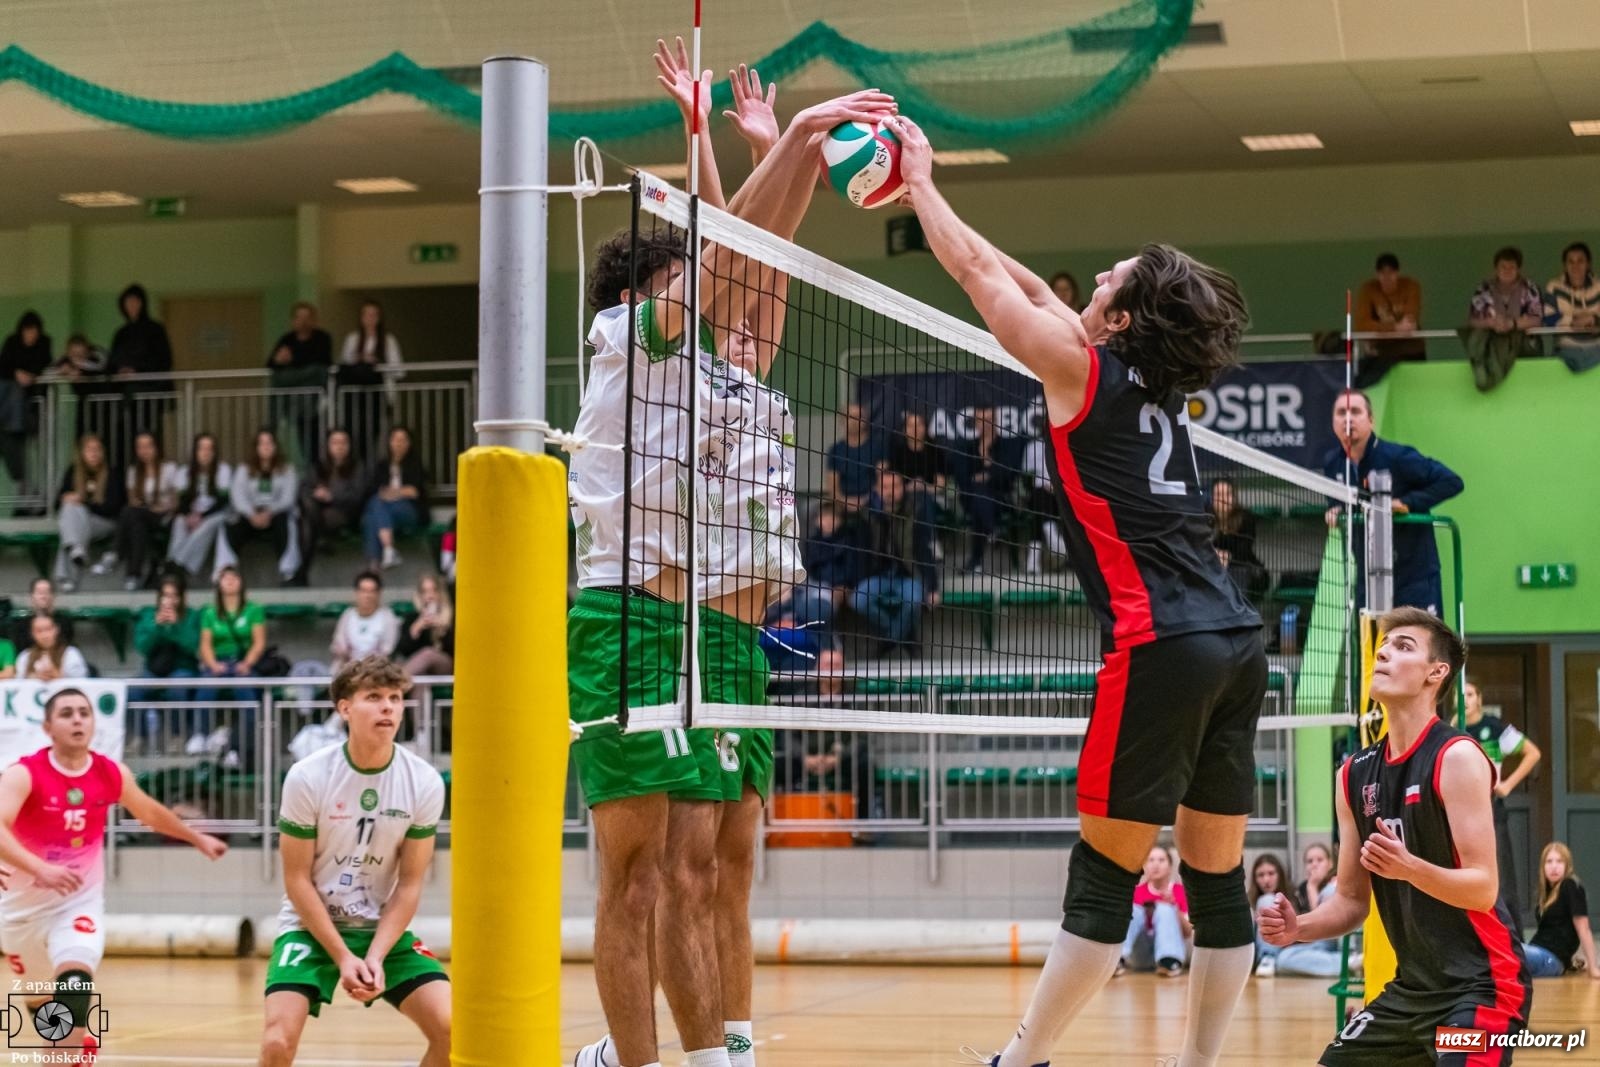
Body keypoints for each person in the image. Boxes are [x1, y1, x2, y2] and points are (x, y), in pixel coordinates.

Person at [890, 114, 1265, 1067]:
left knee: (1102, 878)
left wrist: (920, 187)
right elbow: (1017, 279)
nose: (1092, 279)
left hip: (1162, 645)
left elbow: (983, 282)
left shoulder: (1080, 373)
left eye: (1110, 279)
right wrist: (941, 202)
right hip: (1236, 639)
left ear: (1124, 319)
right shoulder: (1146, 388)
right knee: (1217, 887)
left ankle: (1019, 1063)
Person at [564, 67, 896, 1067]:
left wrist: (768, 147)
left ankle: (721, 1046)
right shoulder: (629, 336)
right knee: (642, 874)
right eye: (681, 280)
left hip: (723, 630)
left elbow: (758, 261)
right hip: (633, 619)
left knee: (713, 864)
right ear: (642, 295)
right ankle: (639, 1056)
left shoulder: (726, 365)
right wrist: (789, 138)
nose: (709, 295)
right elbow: (724, 253)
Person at [1261, 608, 1532, 1063]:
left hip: (1483, 985)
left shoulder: (1457, 757)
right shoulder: (1352, 775)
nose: (1384, 652)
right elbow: (1351, 901)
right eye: (1383, 646)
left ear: (1436, 673)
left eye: (1403, 646)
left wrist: (1410, 868)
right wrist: (1298, 929)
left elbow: (1484, 889)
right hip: (1412, 991)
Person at [0, 688, 226, 1063]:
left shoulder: (109, 772)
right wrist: (39, 867)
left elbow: (150, 812)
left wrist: (196, 837)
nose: (77, 720)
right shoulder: (23, 774)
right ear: (48, 727)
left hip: (77, 903)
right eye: (67, 713)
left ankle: (63, 1054)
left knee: (74, 978)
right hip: (19, 911)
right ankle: (69, 1046)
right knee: (41, 1004)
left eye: (84, 713)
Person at [259, 656, 448, 1067]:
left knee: (455, 1032)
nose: (388, 707)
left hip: (382, 931)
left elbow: (411, 884)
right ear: (345, 708)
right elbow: (296, 880)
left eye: (396, 698)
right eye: (374, 697)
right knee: (276, 1043)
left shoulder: (425, 782)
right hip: (311, 928)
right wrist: (344, 957)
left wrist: (375, 955)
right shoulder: (308, 777)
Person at [1322, 389, 1463, 614]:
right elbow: (1338, 501)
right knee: (1374, 646)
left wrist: (1408, 502)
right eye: (1341, 413)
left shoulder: (1398, 457)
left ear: (1370, 419)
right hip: (1368, 577)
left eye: (1355, 412)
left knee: (1420, 643)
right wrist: (1334, 509)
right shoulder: (1333, 464)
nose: (1348, 419)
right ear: (1333, 422)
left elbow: (1452, 481)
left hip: (1413, 576)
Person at [1462, 680, 1542, 931]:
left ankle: (1513, 938)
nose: (1465, 699)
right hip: (1461, 812)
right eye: (1461, 695)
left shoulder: (1494, 728)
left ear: (1480, 699)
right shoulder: (1453, 730)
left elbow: (1533, 753)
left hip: (1491, 808)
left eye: (1471, 694)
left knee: (1502, 874)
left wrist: (1506, 784)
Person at [852, 463, 940, 655]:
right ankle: (903, 635)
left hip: (907, 574)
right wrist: (854, 581)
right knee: (858, 600)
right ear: (877, 489)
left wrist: (933, 587)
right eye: (885, 487)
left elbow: (925, 550)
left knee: (915, 600)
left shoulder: (916, 510)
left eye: (895, 486)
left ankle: (889, 639)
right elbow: (860, 552)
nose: (890, 492)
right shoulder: (868, 514)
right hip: (879, 574)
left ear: (903, 488)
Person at [195, 565, 267, 764]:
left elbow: (259, 642)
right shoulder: (210, 612)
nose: (230, 581)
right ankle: (201, 735)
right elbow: (205, 644)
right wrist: (212, 664)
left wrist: (247, 663)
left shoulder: (254, 609)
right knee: (205, 688)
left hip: (242, 662)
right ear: (218, 583)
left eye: (234, 577)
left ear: (241, 582)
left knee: (248, 697)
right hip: (217, 662)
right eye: (225, 578)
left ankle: (239, 747)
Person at [133, 574, 202, 751]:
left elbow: (194, 646)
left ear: (181, 597)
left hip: (183, 668)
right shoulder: (148, 615)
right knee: (135, 690)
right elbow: (142, 647)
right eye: (165, 595)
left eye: (174, 595)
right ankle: (139, 737)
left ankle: (177, 736)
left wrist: (176, 627)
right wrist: (156, 626)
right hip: (154, 669)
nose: (169, 600)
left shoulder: (192, 616)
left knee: (177, 687)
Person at [104, 430, 180, 590]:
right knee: (135, 523)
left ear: (156, 448)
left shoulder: (169, 469)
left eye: (148, 446)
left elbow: (176, 501)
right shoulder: (133, 471)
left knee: (130, 514)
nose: (144, 450)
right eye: (140, 447)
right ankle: (133, 575)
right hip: (144, 515)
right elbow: (133, 500)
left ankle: (116, 553)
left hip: (165, 516)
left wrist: (161, 507)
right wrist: (147, 507)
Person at [292, 427, 365, 586]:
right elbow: (303, 488)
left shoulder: (357, 467)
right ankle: (319, 540)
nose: (339, 446)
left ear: (349, 445)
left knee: (307, 524)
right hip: (317, 512)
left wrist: (331, 495)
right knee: (308, 510)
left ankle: (301, 573)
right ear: (328, 445)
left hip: (344, 512)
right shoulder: (318, 466)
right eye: (335, 442)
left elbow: (358, 496)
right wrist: (317, 493)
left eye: (343, 442)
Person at [226, 427, 300, 585]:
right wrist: (251, 513)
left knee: (287, 523)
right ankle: (226, 571)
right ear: (256, 447)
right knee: (229, 524)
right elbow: (237, 496)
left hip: (276, 513)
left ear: (275, 446)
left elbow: (288, 498)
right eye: (262, 443)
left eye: (269, 443)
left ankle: (288, 573)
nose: (266, 447)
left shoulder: (287, 469)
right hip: (250, 514)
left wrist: (270, 512)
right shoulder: (244, 469)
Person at [1465, 246, 1545, 392]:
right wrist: (1490, 322)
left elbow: (1537, 318)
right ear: (1496, 269)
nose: (1507, 270)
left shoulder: (1529, 288)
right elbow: (1473, 320)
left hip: (1522, 344)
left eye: (1512, 267)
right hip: (1493, 341)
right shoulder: (1484, 288)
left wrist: (1512, 324)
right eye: (1503, 267)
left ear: (1518, 269)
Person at [53, 433, 126, 592]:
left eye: (97, 449)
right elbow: (57, 504)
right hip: (80, 522)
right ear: (82, 453)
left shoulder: (113, 474)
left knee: (71, 526)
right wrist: (68, 498)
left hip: (104, 522)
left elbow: (113, 508)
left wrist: (83, 502)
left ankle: (65, 576)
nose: (94, 453)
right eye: (89, 450)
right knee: (70, 509)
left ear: (103, 452)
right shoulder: (73, 471)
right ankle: (76, 550)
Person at [267, 301, 333, 467]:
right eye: (299, 317)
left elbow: (322, 363)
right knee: (279, 379)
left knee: (311, 441)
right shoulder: (286, 339)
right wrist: (279, 360)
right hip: (291, 399)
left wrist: (292, 365)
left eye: (307, 317)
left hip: (312, 401)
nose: (303, 321)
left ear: (314, 320)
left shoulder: (322, 338)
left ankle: (314, 473)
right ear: (293, 320)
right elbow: (270, 365)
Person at [956, 406, 1020, 574]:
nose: (984, 424)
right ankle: (993, 531)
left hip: (1001, 499)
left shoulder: (1007, 445)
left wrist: (987, 472)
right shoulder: (967, 447)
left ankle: (975, 562)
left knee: (980, 500)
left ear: (996, 421)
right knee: (978, 495)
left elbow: (1009, 475)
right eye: (980, 421)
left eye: (989, 420)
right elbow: (962, 478)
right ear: (975, 423)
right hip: (971, 500)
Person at [1523, 842, 1599, 978]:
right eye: (1549, 861)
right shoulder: (1546, 893)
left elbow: (1583, 928)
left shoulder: (1570, 885)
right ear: (1543, 866)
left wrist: (1593, 967)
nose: (1554, 866)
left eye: (1559, 861)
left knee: (1505, 950)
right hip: (1540, 954)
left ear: (1567, 865)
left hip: (1550, 959)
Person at [167, 432, 235, 580]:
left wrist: (201, 517)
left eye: (210, 449)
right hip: (193, 514)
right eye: (202, 449)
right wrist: (188, 515)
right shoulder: (184, 472)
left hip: (217, 514)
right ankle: (179, 569)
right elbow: (182, 501)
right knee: (179, 522)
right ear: (195, 452)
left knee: (207, 524)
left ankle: (174, 564)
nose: (206, 453)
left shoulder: (223, 470)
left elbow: (223, 502)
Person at [1116, 845, 1191, 977]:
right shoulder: (1136, 893)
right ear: (1144, 866)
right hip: (1140, 953)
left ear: (1170, 866)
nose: (1156, 865)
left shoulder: (1180, 892)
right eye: (1151, 860)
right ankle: (1117, 958)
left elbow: (1188, 932)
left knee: (1165, 909)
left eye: (1161, 860)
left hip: (1172, 948)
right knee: (1133, 909)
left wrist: (1175, 908)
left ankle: (1169, 960)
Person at [361, 426, 428, 572]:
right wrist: (396, 492)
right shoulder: (382, 466)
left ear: (409, 443)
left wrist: (394, 493)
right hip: (386, 512)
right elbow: (375, 490)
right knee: (372, 515)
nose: (399, 443)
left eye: (403, 440)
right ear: (389, 442)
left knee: (376, 507)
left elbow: (414, 492)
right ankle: (387, 551)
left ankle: (374, 562)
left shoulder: (415, 464)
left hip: (408, 511)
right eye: (395, 439)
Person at [1352, 253, 1425, 386]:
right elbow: (1361, 325)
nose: (1387, 278)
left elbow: (1409, 324)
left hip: (1410, 352)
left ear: (1397, 273)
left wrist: (1378, 331)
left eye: (1391, 273)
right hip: (1380, 354)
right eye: (1382, 273)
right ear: (1377, 274)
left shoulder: (1410, 286)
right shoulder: (1368, 289)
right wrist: (1395, 328)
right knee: (1364, 381)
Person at [0, 310, 51, 495]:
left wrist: (30, 376)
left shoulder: (44, 343)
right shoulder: (11, 342)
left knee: (15, 443)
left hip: (28, 405)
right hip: (8, 404)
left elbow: (45, 364)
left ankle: (28, 489)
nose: (31, 336)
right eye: (28, 331)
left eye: (34, 332)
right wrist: (17, 373)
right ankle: (25, 487)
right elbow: (3, 364)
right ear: (21, 331)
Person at [1274, 843, 1343, 978]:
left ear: (1330, 864)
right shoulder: (1300, 891)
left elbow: (1322, 925)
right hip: (1318, 947)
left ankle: (1347, 961)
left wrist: (1312, 887)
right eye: (1310, 861)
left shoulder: (1335, 884)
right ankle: (1346, 964)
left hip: (1335, 939)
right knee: (1283, 959)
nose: (1314, 865)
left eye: (1319, 860)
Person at [338, 299, 404, 442]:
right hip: (355, 394)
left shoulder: (388, 340)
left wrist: (377, 363)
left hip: (378, 393)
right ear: (361, 318)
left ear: (379, 318)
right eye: (367, 315)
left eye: (374, 315)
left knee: (375, 431)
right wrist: (359, 360)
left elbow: (398, 370)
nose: (370, 319)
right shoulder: (352, 339)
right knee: (354, 430)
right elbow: (344, 364)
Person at [1542, 240, 1600, 373]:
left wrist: (1593, 319)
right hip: (1568, 347)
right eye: (1571, 261)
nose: (1576, 266)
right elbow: (1548, 319)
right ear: (1565, 266)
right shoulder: (1554, 287)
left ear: (1588, 264)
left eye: (1580, 261)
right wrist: (1573, 320)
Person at [330, 571, 400, 673]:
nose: (367, 596)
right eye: (363, 591)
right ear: (356, 593)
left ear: (379, 594)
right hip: (349, 669)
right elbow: (338, 645)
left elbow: (388, 651)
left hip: (378, 671)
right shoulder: (347, 615)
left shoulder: (388, 617)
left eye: (372, 591)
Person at [1209, 477, 1266, 602]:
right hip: (1212, 567)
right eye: (1219, 495)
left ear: (1234, 498)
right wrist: (1214, 555)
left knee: (1237, 576)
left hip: (1242, 568)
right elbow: (1200, 545)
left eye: (1227, 494)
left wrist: (1228, 557)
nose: (1223, 499)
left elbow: (1245, 548)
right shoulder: (1205, 518)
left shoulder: (1246, 518)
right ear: (1212, 499)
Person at [825, 402, 884, 509]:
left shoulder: (878, 447)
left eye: (859, 416)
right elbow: (832, 487)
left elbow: (883, 480)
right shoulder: (836, 450)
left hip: (873, 503)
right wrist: (845, 502)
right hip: (842, 505)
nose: (855, 421)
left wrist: (865, 501)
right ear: (842, 421)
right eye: (850, 417)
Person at [394, 573, 454, 677]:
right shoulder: (413, 617)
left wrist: (443, 628)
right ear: (420, 595)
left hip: (446, 665)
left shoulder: (451, 615)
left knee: (428, 653)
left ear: (441, 593)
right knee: (418, 673)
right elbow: (402, 652)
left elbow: (457, 650)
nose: (430, 596)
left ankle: (396, 683)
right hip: (419, 668)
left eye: (434, 590)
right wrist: (415, 629)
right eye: (425, 591)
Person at [1248, 854, 1292, 974]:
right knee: (1266, 899)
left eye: (1271, 873)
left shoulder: (1293, 897)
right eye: (1260, 875)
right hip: (1255, 951)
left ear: (1280, 875)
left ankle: (1269, 958)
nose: (1266, 880)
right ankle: (1267, 957)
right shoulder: (1249, 901)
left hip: (1285, 950)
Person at [15, 614, 89, 681]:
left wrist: (57, 675)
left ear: (56, 630)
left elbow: (80, 681)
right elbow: (18, 683)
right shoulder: (25, 656)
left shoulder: (70, 653)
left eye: (48, 629)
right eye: (39, 631)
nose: (44, 635)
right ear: (32, 634)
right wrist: (34, 677)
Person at [11, 577, 74, 652]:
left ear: (53, 596)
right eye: (39, 592)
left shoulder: (64, 623)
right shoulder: (22, 626)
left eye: (47, 592)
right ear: (32, 596)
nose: (43, 596)